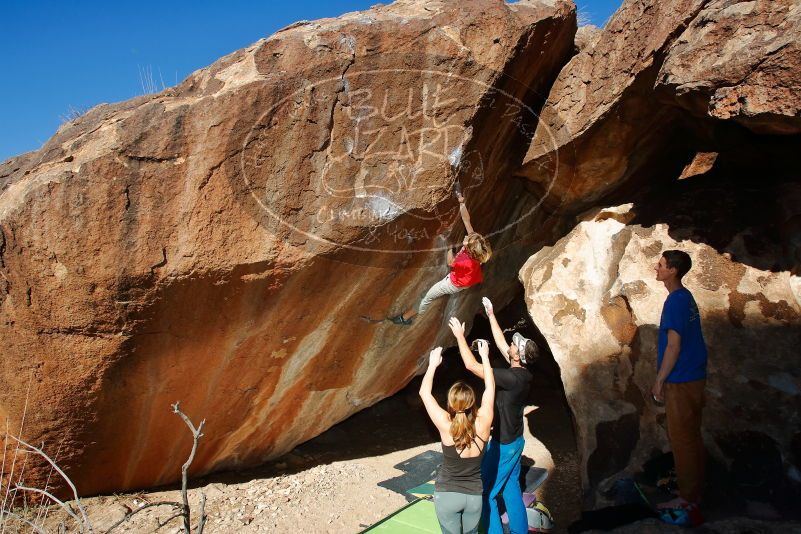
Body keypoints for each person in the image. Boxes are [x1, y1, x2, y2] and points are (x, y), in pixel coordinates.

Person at [449, 298, 536, 534]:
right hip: (517, 440)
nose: (512, 344)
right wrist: (491, 313)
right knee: (511, 490)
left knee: (485, 494)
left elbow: (471, 366)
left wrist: (459, 336)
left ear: (516, 356)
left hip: (504, 445)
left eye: (515, 345)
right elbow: (500, 342)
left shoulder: (510, 379)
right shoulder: (523, 373)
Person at [652, 250, 708, 515]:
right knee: (692, 435)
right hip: (694, 375)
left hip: (681, 378)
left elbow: (674, 345)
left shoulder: (675, 301)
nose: (657, 267)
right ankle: (694, 489)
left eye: (661, 265)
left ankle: (688, 498)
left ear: (673, 270)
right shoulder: (686, 297)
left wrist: (660, 379)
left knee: (682, 438)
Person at [419, 343, 495, 534]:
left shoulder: (446, 425)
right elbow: (490, 386)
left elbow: (424, 393)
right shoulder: (484, 421)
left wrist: (432, 365)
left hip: (447, 496)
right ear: (472, 402)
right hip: (474, 497)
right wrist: (484, 357)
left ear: (451, 403)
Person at [388, 192, 491, 325]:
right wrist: (461, 203)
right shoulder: (476, 247)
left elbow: (450, 262)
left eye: (467, 240)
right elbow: (466, 220)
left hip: (453, 284)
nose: (466, 237)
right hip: (467, 278)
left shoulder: (465, 261)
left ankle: (404, 318)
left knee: (426, 297)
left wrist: (450, 248)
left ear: (470, 249)